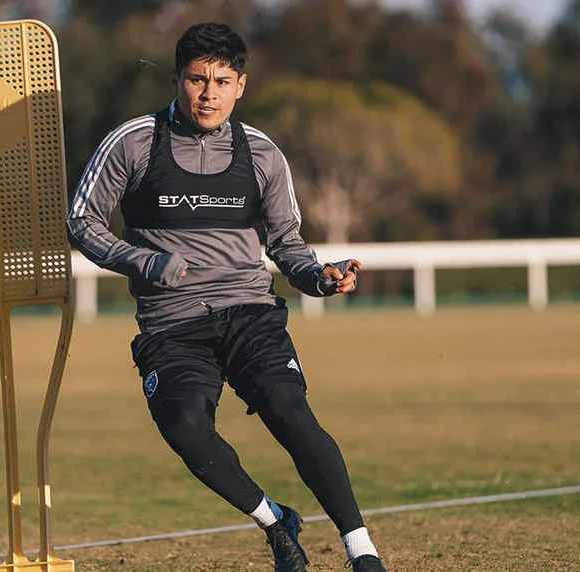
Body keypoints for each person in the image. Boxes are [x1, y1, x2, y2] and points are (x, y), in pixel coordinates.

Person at [66, 22, 388, 572]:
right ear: (176, 80)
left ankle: (362, 551)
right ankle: (273, 519)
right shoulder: (133, 143)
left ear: (241, 85)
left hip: (249, 313)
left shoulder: (262, 154)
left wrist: (319, 277)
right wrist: (142, 260)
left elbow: (287, 245)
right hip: (172, 325)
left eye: (221, 81)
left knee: (290, 410)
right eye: (196, 80)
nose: (208, 93)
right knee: (185, 426)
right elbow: (81, 220)